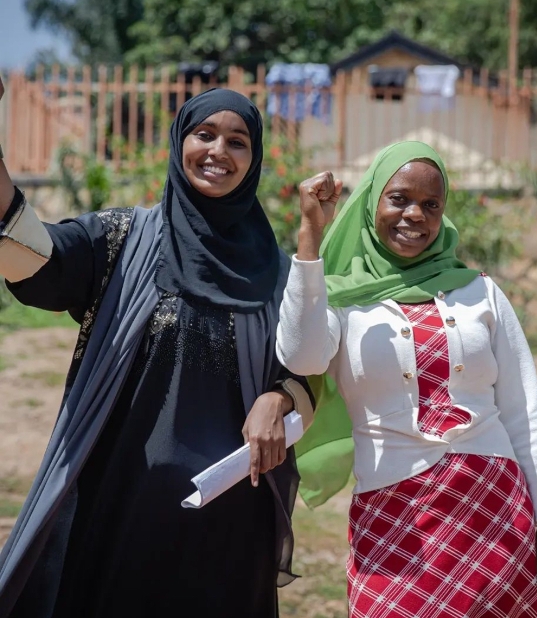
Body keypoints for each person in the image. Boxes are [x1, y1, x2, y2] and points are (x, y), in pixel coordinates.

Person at [0, 80, 314, 618]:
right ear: (179, 142)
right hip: (121, 508)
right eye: (205, 134)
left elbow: (307, 373)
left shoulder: (278, 274)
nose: (219, 151)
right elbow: (33, 259)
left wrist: (281, 399)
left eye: (238, 142)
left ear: (254, 158)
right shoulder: (122, 240)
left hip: (229, 518)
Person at [276, 141, 537, 617]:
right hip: (393, 513)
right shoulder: (337, 299)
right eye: (399, 199)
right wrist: (311, 235)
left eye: (430, 204)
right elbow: (302, 355)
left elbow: (524, 413)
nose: (414, 215)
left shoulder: (480, 292)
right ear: (371, 201)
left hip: (492, 507)